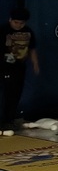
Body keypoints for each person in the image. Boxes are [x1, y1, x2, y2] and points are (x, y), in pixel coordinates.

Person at [1, 7, 40, 135]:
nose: (18, 25)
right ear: (10, 20)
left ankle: (9, 119)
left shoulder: (28, 32)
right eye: (16, 22)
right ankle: (5, 120)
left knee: (15, 93)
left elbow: (32, 48)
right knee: (7, 92)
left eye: (21, 23)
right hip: (5, 66)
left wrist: (35, 63)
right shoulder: (3, 30)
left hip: (19, 66)